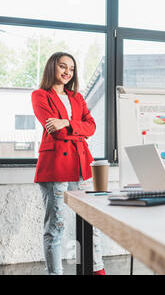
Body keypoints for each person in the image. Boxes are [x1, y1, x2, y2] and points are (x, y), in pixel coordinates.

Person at [32, 52, 105, 275]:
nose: (67, 72)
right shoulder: (40, 95)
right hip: (55, 167)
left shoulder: (77, 98)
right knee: (56, 227)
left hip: (82, 165)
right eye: (62, 66)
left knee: (89, 222)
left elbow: (91, 127)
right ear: (52, 67)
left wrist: (66, 122)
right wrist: (77, 129)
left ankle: (96, 269)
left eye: (71, 69)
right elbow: (55, 132)